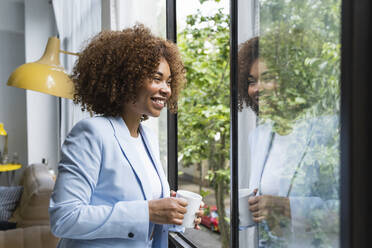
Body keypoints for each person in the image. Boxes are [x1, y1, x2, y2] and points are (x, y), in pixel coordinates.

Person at [49, 24, 203, 248]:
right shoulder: (91, 133)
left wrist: (175, 214)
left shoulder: (147, 138)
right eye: (156, 78)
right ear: (127, 79)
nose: (166, 89)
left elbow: (145, 222)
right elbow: (64, 218)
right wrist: (148, 211)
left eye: (169, 82)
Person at [238, 37, 339, 247]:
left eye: (268, 78)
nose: (257, 88)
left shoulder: (325, 131)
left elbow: (350, 209)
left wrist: (287, 208)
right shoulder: (258, 137)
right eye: (251, 81)